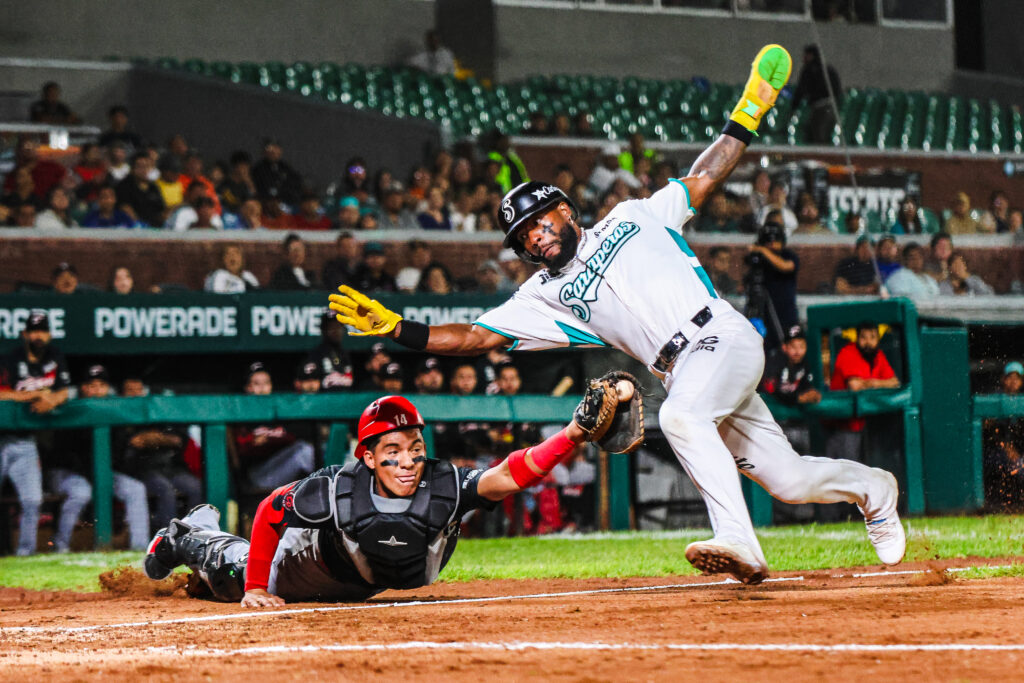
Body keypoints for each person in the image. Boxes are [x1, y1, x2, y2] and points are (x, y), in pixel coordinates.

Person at [330, 45, 905, 584]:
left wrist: (748, 113)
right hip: (682, 370)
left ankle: (738, 539)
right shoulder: (542, 295)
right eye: (524, 236)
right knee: (790, 480)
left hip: (720, 336)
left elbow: (704, 176)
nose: (535, 237)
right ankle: (874, 489)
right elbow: (473, 337)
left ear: (565, 209)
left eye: (540, 221)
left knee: (681, 418)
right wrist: (400, 329)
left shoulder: (632, 215)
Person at [143, 390, 627, 605]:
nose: (408, 460)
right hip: (304, 567)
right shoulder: (337, 488)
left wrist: (573, 433)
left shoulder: (445, 484)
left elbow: (509, 474)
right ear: (369, 457)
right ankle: (188, 533)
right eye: (392, 451)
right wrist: (254, 588)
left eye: (415, 447)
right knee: (230, 575)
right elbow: (271, 509)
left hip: (357, 586)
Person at [43, 365, 151, 551]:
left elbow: (117, 457)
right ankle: (60, 546)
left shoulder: (114, 412)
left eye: (101, 385)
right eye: (91, 385)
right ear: (82, 388)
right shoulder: (71, 409)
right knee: (81, 491)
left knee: (136, 489)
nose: (96, 390)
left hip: (100, 473)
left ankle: (140, 547)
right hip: (68, 472)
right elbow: (65, 456)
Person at [0, 311, 70, 555]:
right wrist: (36, 394)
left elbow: (64, 391)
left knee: (32, 500)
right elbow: (1, 393)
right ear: (24, 334)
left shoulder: (55, 357)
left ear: (49, 334)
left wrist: (52, 400)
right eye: (33, 331)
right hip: (2, 437)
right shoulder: (11, 359)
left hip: (25, 441)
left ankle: (25, 554)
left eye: (42, 331)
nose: (38, 335)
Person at [233, 362, 315, 491]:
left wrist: (269, 440)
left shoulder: (279, 412)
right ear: (248, 388)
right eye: (257, 383)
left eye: (266, 383)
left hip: (280, 467)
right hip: (257, 474)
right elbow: (240, 451)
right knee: (304, 452)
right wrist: (254, 442)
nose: (262, 388)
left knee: (307, 450)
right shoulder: (241, 415)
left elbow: (297, 437)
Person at [744, 218, 799, 351]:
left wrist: (763, 251)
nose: (772, 244)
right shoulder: (759, 258)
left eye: (776, 240)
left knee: (787, 347)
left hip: (784, 312)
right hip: (763, 312)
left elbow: (786, 266)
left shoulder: (788, 255)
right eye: (768, 241)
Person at [983, 362, 1024, 511]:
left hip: (1015, 452)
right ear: (1003, 379)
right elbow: (988, 430)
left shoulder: (1020, 400)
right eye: (1010, 377)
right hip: (993, 452)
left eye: (1017, 378)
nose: (1013, 381)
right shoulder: (994, 399)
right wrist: (1007, 448)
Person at [791, 44, 842, 145]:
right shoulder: (827, 69)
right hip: (829, 106)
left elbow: (801, 89)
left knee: (818, 135)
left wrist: (794, 105)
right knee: (821, 134)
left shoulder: (810, 70)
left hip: (820, 107)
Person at [305, 310, 355, 392]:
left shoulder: (345, 354)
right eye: (331, 327)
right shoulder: (316, 355)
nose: (336, 331)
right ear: (323, 330)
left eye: (338, 326)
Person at [116, 152, 166, 227]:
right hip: (133, 227)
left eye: (147, 166)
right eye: (140, 166)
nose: (144, 170)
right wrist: (140, 226)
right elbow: (125, 208)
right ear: (132, 169)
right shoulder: (124, 186)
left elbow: (161, 209)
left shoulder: (153, 187)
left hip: (155, 227)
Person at [251, 138, 303, 206]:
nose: (273, 151)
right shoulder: (257, 169)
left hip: (285, 203)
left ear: (280, 151)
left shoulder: (286, 168)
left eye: (276, 148)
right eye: (270, 148)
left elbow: (296, 185)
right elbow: (256, 189)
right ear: (264, 152)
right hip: (265, 204)